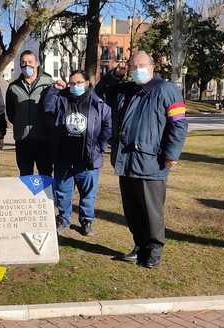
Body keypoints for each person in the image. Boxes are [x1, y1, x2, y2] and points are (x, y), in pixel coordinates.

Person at [101, 51, 188, 268]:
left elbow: (178, 123)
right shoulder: (127, 90)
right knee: (132, 210)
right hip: (126, 160)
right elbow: (100, 93)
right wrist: (114, 76)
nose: (137, 69)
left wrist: (172, 154)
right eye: (133, 66)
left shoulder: (166, 89)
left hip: (151, 162)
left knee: (151, 211)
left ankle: (154, 251)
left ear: (151, 66)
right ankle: (139, 246)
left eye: (141, 65)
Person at [44, 70, 112, 236]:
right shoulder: (62, 99)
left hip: (88, 159)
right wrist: (54, 89)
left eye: (79, 83)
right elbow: (47, 107)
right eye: (72, 83)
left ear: (87, 83)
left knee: (88, 194)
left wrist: (99, 148)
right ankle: (63, 219)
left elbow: (107, 126)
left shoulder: (97, 103)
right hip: (64, 158)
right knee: (62, 192)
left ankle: (86, 221)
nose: (75, 86)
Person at [5, 50, 54, 176]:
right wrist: (20, 122)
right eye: (23, 63)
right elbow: (11, 113)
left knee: (46, 174)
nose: (27, 65)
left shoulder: (49, 83)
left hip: (44, 139)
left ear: (37, 63)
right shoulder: (13, 87)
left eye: (30, 62)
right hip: (23, 140)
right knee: (25, 175)